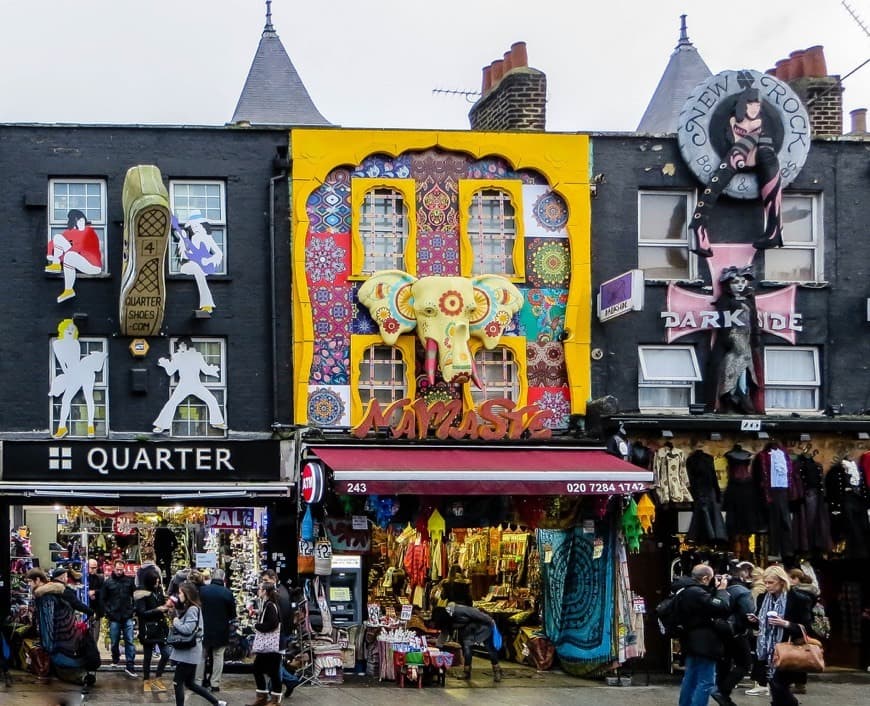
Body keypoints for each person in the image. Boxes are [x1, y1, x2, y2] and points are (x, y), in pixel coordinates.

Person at [689, 87, 784, 257]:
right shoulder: (734, 121)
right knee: (740, 153)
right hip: (737, 156)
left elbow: (759, 144)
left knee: (763, 149)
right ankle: (698, 224)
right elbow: (735, 141)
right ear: (743, 105)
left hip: (752, 155)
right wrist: (741, 154)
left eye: (757, 105)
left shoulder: (760, 125)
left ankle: (774, 227)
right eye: (751, 104)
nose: (755, 108)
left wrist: (744, 152)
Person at [747, 565, 813, 706]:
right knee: (775, 687)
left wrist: (786, 624)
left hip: (787, 649)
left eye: (771, 582)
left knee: (779, 685)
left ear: (782, 581)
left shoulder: (798, 599)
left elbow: (807, 627)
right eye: (765, 582)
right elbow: (761, 625)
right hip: (766, 650)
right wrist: (755, 620)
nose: (767, 586)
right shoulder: (762, 597)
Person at [26, 568, 97, 689]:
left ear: (37, 580)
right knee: (64, 665)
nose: (29, 585)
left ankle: (82, 677)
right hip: (68, 638)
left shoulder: (45, 596)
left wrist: (47, 646)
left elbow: (47, 622)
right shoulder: (57, 591)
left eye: (30, 582)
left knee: (61, 665)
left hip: (60, 640)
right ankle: (83, 675)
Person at [672, 564, 731, 706]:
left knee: (690, 678)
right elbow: (721, 605)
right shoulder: (696, 592)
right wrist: (722, 591)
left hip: (690, 639)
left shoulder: (684, 589)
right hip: (705, 642)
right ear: (705, 578)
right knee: (706, 681)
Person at [708, 266, 761, 414]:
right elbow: (724, 322)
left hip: (746, 340)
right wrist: (730, 338)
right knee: (734, 366)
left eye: (743, 281)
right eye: (736, 281)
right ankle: (733, 396)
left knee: (745, 368)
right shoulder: (725, 300)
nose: (740, 284)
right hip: (734, 338)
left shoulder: (749, 299)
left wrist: (756, 338)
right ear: (728, 284)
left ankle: (742, 396)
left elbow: (754, 321)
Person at [48, 318, 107, 439]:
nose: (70, 330)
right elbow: (63, 364)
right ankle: (62, 428)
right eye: (68, 328)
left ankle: (90, 428)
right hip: (74, 374)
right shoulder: (56, 344)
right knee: (66, 399)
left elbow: (75, 361)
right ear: (62, 329)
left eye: (72, 329)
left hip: (83, 372)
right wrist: (67, 377)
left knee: (88, 397)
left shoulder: (75, 343)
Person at [153, 337, 227, 433]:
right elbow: (170, 372)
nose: (180, 348)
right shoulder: (177, 356)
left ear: (186, 344)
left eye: (181, 345)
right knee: (172, 403)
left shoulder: (197, 355)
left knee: (211, 399)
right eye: (179, 346)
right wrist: (166, 364)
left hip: (196, 384)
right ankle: (161, 425)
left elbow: (204, 369)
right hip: (184, 384)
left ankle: (217, 422)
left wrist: (212, 370)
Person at [169, 580, 226, 706]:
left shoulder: (192, 609)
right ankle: (216, 702)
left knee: (177, 682)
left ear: (187, 594)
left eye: (180, 593)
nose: (179, 596)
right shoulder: (191, 608)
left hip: (188, 653)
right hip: (190, 651)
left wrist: (176, 621)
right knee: (190, 683)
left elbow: (187, 629)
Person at [712, 564, 757, 706]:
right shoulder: (742, 591)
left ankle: (723, 696)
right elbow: (748, 612)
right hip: (736, 632)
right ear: (743, 575)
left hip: (720, 631)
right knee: (744, 664)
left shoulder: (719, 589)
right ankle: (723, 692)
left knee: (724, 663)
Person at [432, 601, 502, 682]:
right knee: (467, 650)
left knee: (490, 649)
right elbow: (444, 633)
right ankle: (466, 672)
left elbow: (475, 613)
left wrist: (490, 620)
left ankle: (497, 670)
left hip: (483, 627)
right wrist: (437, 647)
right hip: (468, 631)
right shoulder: (447, 620)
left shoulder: (459, 610)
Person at [45, 208, 103, 302]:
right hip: (78, 261)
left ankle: (57, 264)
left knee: (69, 255)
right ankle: (68, 289)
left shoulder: (89, 232)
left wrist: (61, 255)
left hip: (93, 265)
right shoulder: (70, 233)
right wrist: (50, 254)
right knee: (58, 238)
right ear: (74, 222)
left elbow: (80, 248)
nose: (81, 222)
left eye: (82, 219)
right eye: (78, 220)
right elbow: (53, 242)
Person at [172, 211, 223, 313]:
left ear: (202, 225)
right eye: (192, 225)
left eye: (196, 225)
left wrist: (208, 260)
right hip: (189, 266)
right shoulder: (190, 238)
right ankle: (207, 304)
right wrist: (182, 240)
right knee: (196, 268)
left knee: (197, 269)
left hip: (204, 267)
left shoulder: (208, 238)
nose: (194, 227)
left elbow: (219, 253)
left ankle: (207, 305)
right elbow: (187, 255)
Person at [197, 567, 237, 693]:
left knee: (201, 656)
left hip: (204, 629)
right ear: (223, 578)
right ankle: (215, 683)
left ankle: (198, 681)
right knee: (218, 656)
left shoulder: (202, 591)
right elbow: (232, 614)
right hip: (221, 630)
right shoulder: (227, 593)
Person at [134, 562, 171, 693]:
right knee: (148, 656)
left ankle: (158, 676)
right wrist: (158, 609)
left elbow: (162, 606)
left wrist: (166, 606)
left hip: (160, 627)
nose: (157, 584)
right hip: (148, 629)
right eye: (155, 582)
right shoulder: (142, 594)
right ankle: (146, 679)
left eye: (158, 581)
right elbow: (141, 612)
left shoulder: (159, 591)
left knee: (166, 653)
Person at [247, 581, 283, 706]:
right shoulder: (269, 604)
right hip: (271, 646)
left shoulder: (269, 605)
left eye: (260, 589)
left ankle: (270, 700)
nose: (258, 590)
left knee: (265, 671)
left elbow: (272, 623)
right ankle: (268, 699)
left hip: (270, 646)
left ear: (264, 592)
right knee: (268, 671)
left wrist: (258, 626)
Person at [100, 558, 137, 678]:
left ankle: (130, 664)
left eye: (121, 569)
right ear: (113, 568)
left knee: (129, 640)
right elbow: (103, 599)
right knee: (114, 641)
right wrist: (108, 612)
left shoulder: (129, 581)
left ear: (124, 568)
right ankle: (115, 657)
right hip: (114, 616)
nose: (119, 571)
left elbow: (135, 596)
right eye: (118, 569)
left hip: (127, 615)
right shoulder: (108, 582)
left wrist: (133, 610)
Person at [787, 569, 820, 696]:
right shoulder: (811, 591)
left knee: (796, 655)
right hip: (805, 625)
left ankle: (798, 684)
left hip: (798, 625)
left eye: (789, 578)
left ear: (795, 579)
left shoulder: (799, 593)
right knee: (800, 654)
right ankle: (799, 683)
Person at [260, 569, 292, 649]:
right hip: (280, 633)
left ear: (273, 579)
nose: (264, 583)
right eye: (263, 581)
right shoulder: (279, 590)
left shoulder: (279, 594)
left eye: (266, 580)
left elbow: (281, 615)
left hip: (279, 634)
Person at [84, 559, 104, 646]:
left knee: (95, 634)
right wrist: (87, 593)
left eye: (95, 568)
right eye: (91, 568)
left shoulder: (100, 578)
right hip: (85, 608)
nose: (93, 570)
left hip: (96, 609)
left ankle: (94, 650)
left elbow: (104, 591)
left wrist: (95, 592)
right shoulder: (83, 578)